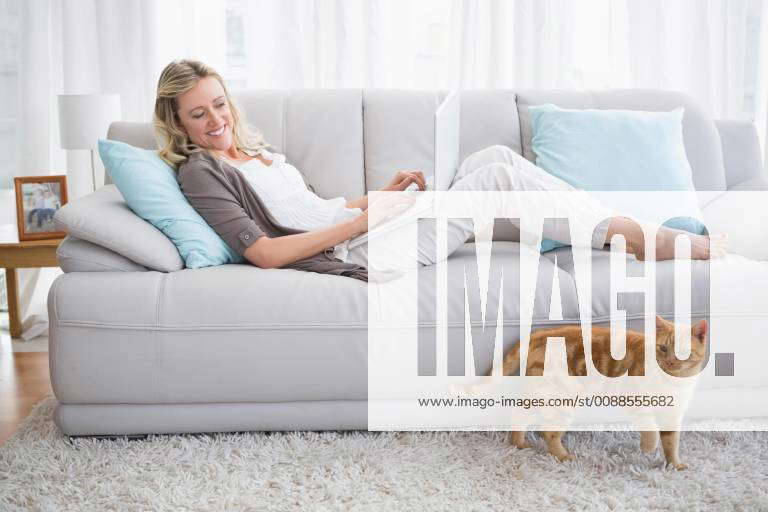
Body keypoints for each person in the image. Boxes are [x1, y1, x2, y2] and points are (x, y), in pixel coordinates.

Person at [153, 59, 720, 281]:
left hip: (364, 228)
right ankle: (643, 237)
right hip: (355, 255)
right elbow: (268, 252)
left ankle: (594, 230)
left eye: (219, 104)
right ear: (178, 122)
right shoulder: (202, 172)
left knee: (490, 160)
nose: (216, 121)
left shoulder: (254, 149)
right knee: (497, 179)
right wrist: (365, 222)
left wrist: (378, 197)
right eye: (198, 115)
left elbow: (310, 210)